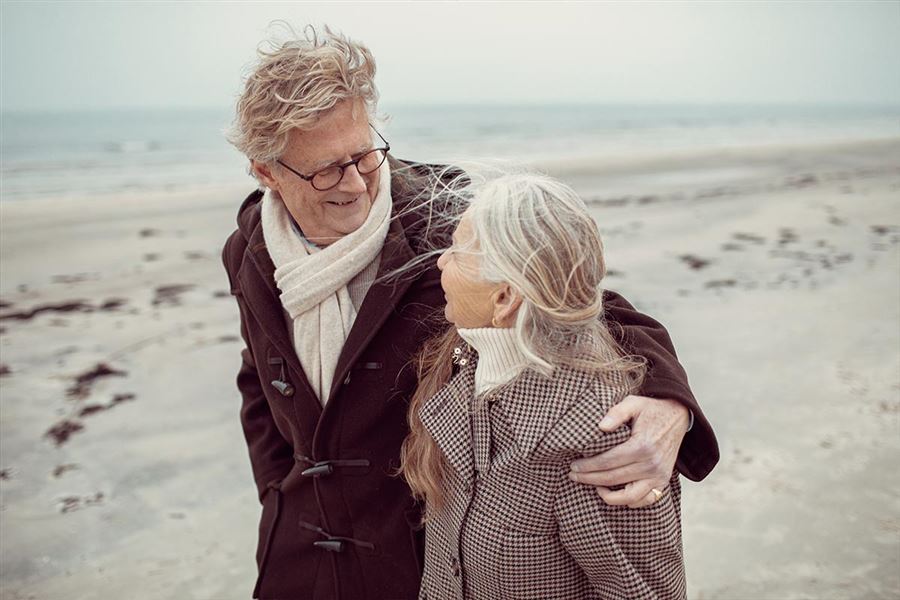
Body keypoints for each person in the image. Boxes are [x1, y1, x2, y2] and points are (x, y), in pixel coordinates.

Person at [222, 26, 718, 599]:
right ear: (267, 172)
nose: (356, 182)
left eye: (363, 154)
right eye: (327, 169)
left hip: (419, 555)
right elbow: (260, 379)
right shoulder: (248, 249)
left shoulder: (442, 217)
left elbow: (581, 304)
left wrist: (668, 398)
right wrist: (277, 492)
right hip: (297, 555)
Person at [402, 171, 686, 599]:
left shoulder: (595, 439)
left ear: (504, 299)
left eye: (459, 251)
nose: (440, 261)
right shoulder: (463, 369)